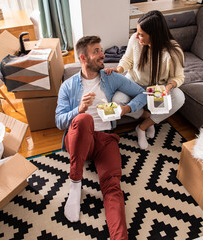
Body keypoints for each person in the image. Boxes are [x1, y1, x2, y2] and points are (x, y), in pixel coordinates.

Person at [55, 36, 147, 240]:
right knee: (84, 119)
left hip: (105, 140)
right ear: (83, 57)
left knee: (113, 187)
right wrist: (78, 109)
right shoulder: (68, 86)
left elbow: (142, 93)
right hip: (79, 139)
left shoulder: (110, 77)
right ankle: (75, 183)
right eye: (96, 51)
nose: (102, 54)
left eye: (101, 50)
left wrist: (126, 108)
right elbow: (59, 122)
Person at [105, 10, 185, 149]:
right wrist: (118, 70)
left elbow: (178, 77)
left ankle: (143, 127)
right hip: (133, 83)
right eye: (137, 31)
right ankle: (147, 116)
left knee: (179, 98)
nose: (137, 36)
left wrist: (169, 87)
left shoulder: (173, 52)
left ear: (154, 35)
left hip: (156, 89)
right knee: (117, 101)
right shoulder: (135, 41)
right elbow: (127, 59)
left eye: (141, 34)